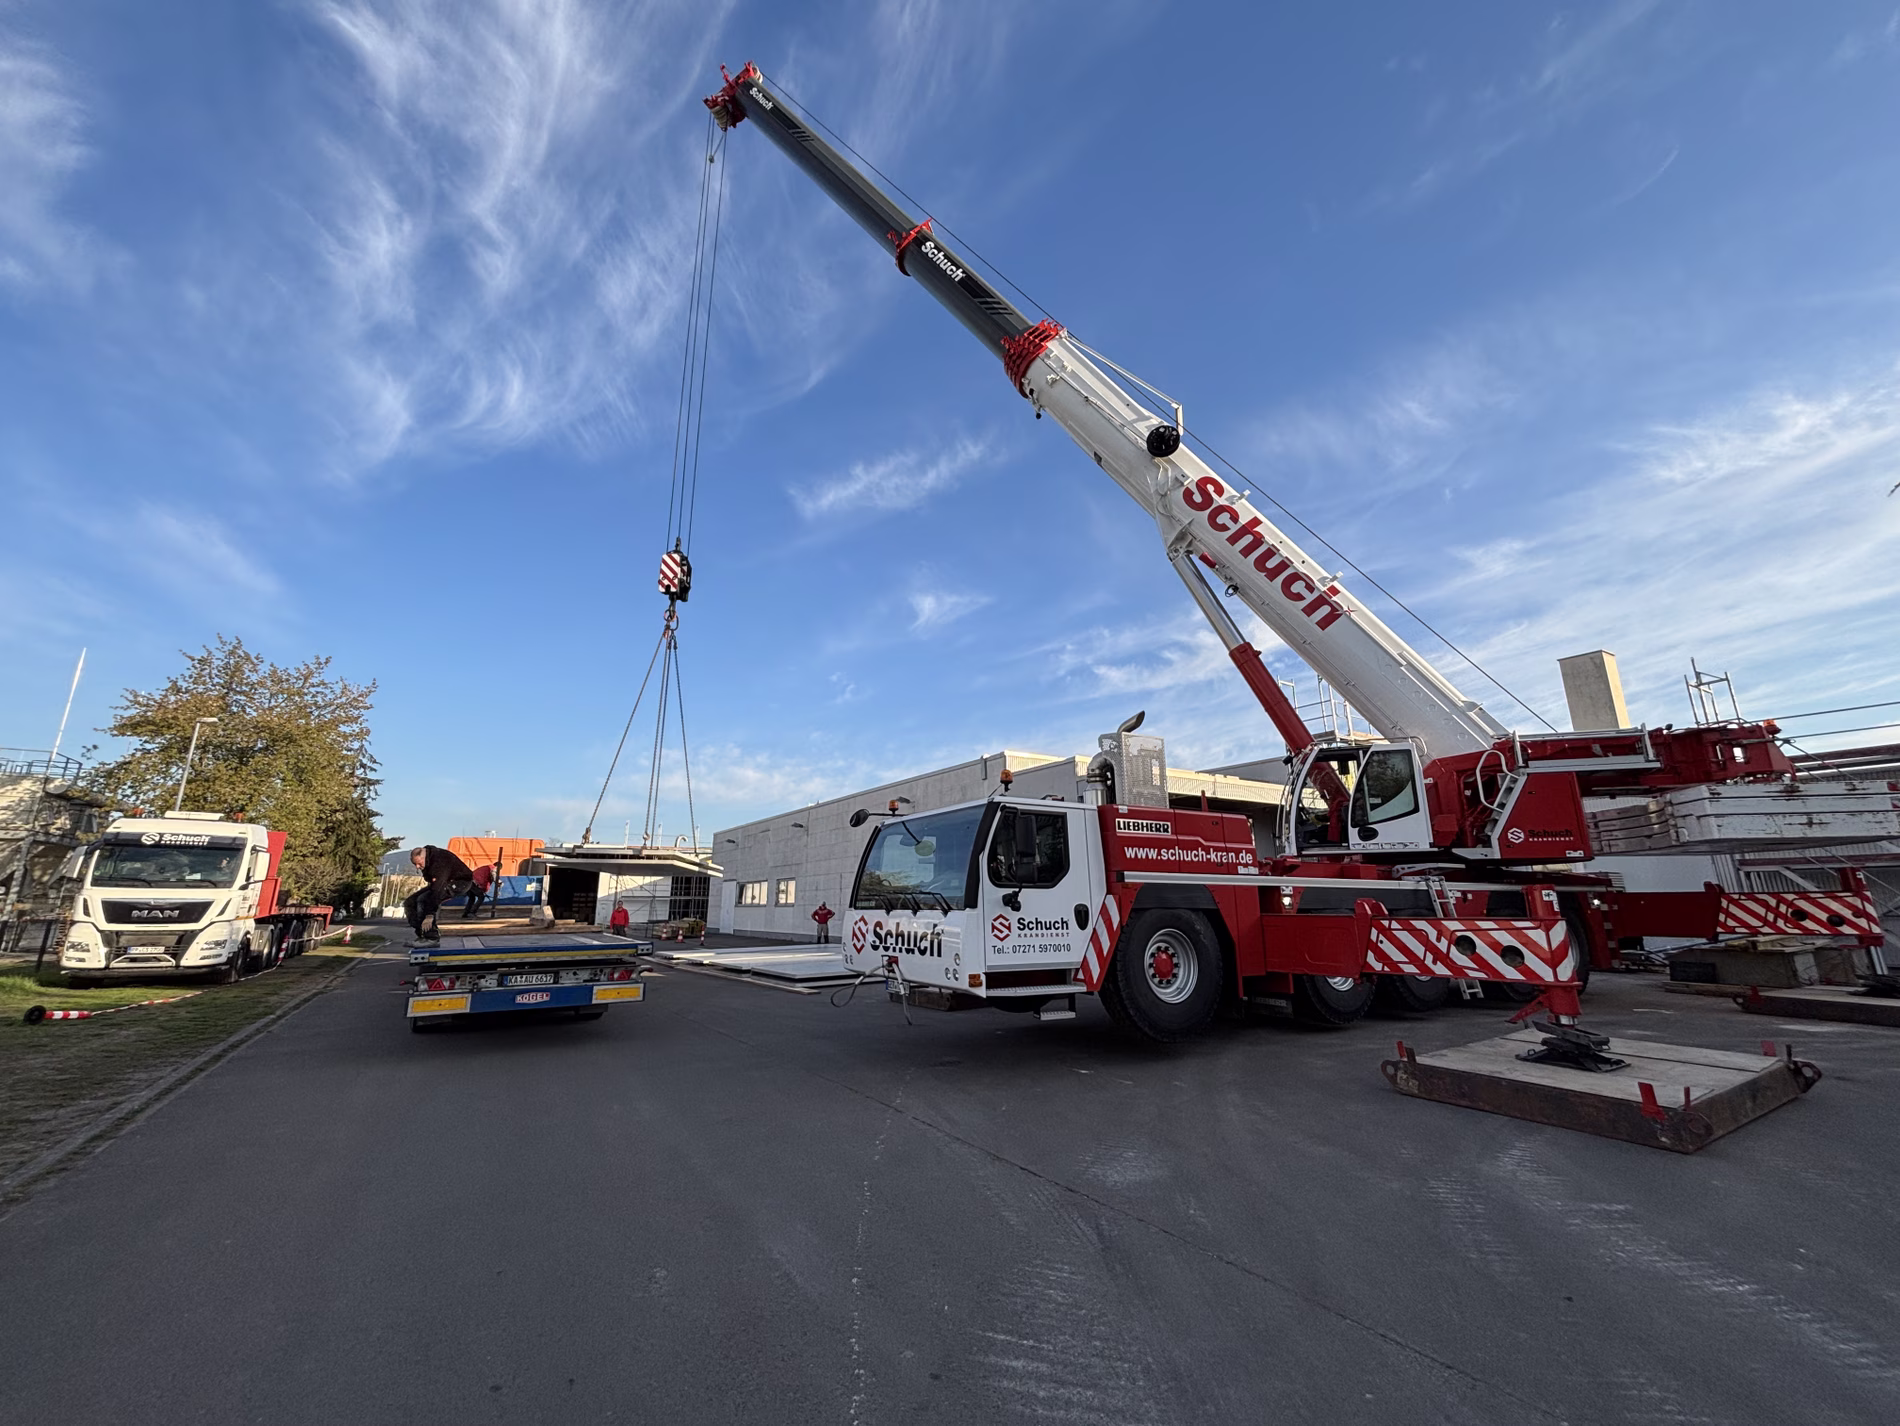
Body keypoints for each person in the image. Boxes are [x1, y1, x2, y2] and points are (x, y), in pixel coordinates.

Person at [405, 845, 473, 947]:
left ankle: (432, 938)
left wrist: (430, 915)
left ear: (424, 857)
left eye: (419, 863)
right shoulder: (428, 857)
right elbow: (431, 881)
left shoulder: (440, 861)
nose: (417, 867)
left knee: (424, 900)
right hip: (444, 881)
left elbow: (437, 891)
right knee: (410, 902)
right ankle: (422, 935)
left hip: (461, 882)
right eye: (415, 864)